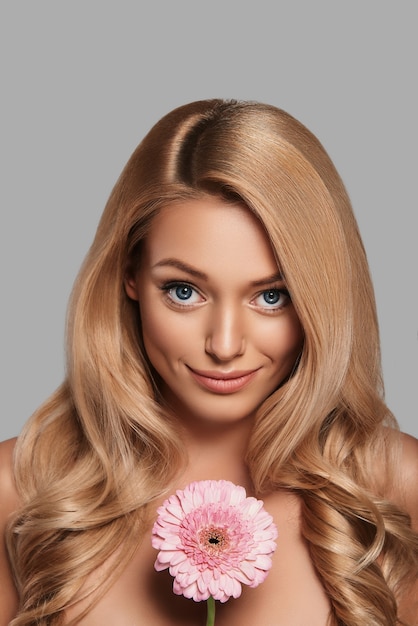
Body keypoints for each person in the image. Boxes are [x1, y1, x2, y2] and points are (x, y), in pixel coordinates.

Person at [0, 99, 417, 626]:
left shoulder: (395, 488)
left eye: (271, 297)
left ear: (321, 299)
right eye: (183, 290)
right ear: (130, 275)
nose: (224, 344)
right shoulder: (22, 491)